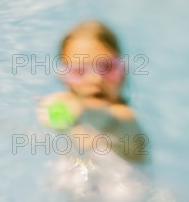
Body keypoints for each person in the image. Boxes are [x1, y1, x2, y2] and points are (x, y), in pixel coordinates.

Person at [37, 20, 147, 162]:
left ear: (123, 72)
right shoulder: (70, 109)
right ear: (65, 79)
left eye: (107, 67)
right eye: (80, 71)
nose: (96, 79)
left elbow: (109, 117)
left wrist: (75, 112)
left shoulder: (126, 118)